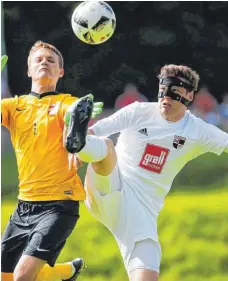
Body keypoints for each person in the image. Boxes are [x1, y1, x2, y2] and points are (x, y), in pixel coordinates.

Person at [64, 64, 228, 281]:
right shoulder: (138, 111)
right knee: (106, 146)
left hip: (142, 215)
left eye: (174, 94)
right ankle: (80, 146)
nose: (166, 99)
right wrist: (80, 142)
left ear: (189, 95)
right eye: (162, 92)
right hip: (110, 188)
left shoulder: (197, 130)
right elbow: (96, 130)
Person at [1, 41, 103, 281]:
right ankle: (66, 273)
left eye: (50, 60)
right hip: (24, 206)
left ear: (61, 72)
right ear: (28, 70)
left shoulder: (65, 102)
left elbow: (73, 114)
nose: (44, 62)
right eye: (38, 60)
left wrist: (78, 127)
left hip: (59, 205)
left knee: (22, 277)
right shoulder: (13, 107)